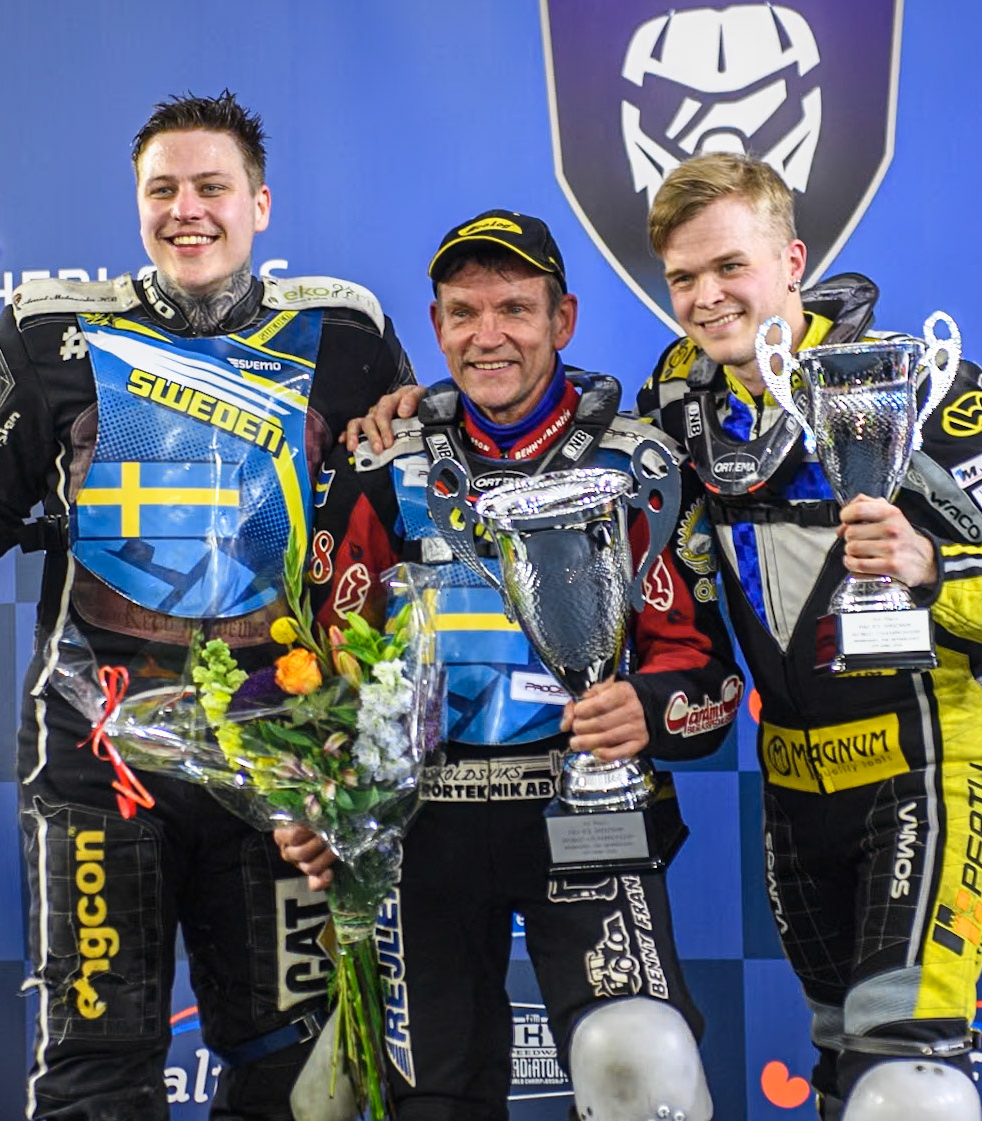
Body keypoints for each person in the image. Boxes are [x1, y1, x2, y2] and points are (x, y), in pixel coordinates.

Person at [0, 92, 415, 1121]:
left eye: (212, 187)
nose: (188, 210)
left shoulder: (348, 333)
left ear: (260, 204)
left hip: (282, 759)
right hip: (101, 761)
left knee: (299, 1074)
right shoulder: (52, 331)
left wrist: (363, 749)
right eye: (163, 190)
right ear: (137, 203)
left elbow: (392, 530)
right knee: (96, 1068)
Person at [634, 153, 982, 1121]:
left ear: (792, 260)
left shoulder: (916, 384)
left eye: (730, 266)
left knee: (906, 1079)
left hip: (932, 765)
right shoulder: (672, 402)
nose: (707, 297)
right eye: (683, 277)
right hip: (794, 786)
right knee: (847, 1072)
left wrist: (930, 566)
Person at [276, 210, 742, 1121]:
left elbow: (706, 673)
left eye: (515, 310)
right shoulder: (383, 459)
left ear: (563, 318)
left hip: (588, 813)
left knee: (642, 1066)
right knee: (427, 1102)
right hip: (423, 826)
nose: (487, 335)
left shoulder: (640, 462)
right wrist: (318, 793)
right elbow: (325, 660)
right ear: (436, 324)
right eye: (463, 312)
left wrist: (647, 705)